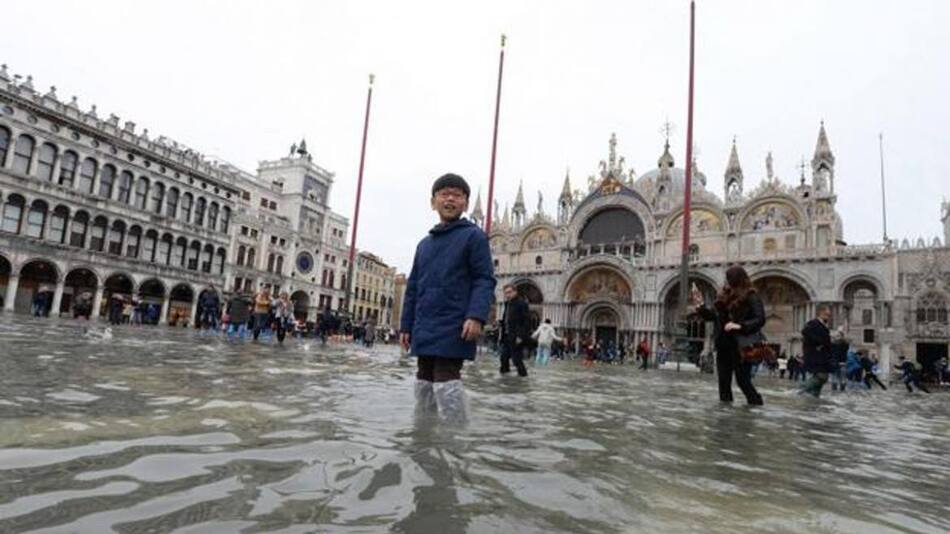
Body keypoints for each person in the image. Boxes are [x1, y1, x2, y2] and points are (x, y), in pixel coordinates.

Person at [400, 173, 495, 424]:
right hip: (425, 322)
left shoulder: (474, 236)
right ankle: (423, 431)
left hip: (455, 322)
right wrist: (405, 326)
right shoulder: (424, 244)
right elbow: (413, 287)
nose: (450, 199)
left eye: (457, 194)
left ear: (465, 203)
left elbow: (484, 279)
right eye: (444, 194)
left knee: (446, 378)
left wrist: (476, 316)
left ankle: (454, 440)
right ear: (433, 202)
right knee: (423, 378)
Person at [691, 265, 765, 405]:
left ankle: (756, 404)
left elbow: (760, 318)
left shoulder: (751, 296)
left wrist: (740, 326)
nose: (726, 282)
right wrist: (700, 307)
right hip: (723, 345)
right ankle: (725, 417)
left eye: (729, 278)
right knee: (723, 384)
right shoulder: (724, 296)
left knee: (743, 381)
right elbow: (714, 316)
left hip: (741, 346)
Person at [800, 304, 834, 397]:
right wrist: (819, 343)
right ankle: (800, 391)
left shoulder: (823, 325)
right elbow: (805, 331)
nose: (829, 316)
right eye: (827, 314)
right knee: (821, 376)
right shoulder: (813, 323)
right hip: (815, 355)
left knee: (823, 377)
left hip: (822, 356)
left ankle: (814, 396)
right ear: (820, 312)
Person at [500, 284, 531, 377]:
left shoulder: (521, 304)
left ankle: (523, 377)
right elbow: (506, 318)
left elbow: (527, 321)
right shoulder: (507, 304)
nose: (507, 295)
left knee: (516, 359)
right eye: (506, 293)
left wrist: (521, 336)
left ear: (515, 292)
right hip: (506, 335)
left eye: (509, 292)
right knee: (503, 357)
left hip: (516, 336)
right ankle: (504, 377)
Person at [830, 327, 849, 392]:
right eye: (836, 336)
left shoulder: (844, 344)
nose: (837, 337)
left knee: (842, 379)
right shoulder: (832, 344)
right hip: (835, 363)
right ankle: (836, 392)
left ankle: (840, 392)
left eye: (838, 336)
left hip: (841, 363)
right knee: (834, 379)